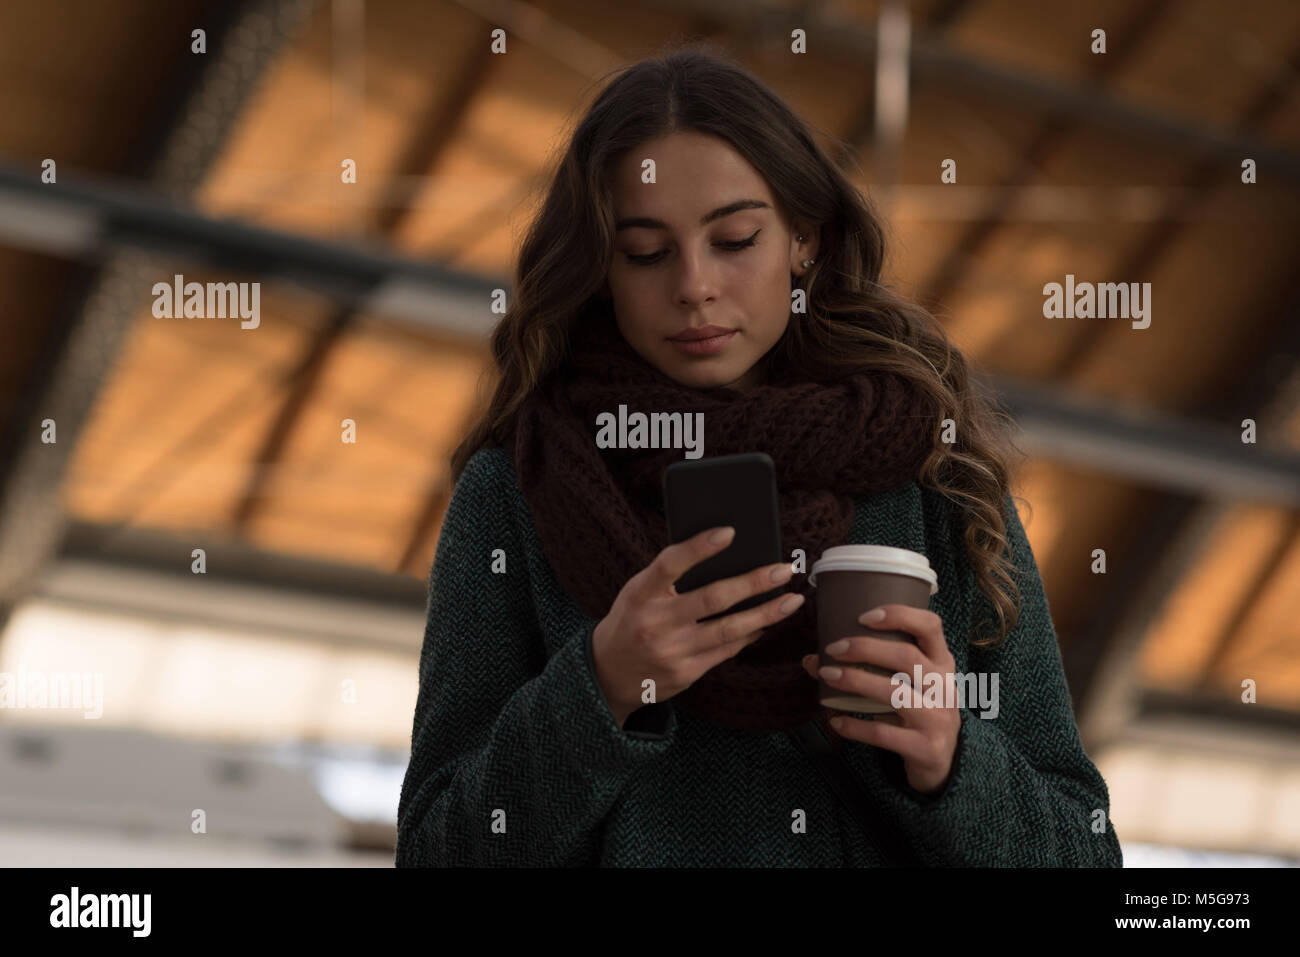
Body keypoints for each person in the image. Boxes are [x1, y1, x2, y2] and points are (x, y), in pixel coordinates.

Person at [396, 45, 1123, 867]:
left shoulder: (935, 477)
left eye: (735, 238)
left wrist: (952, 758)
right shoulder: (515, 494)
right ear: (601, 267)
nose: (695, 284)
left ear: (804, 239)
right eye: (645, 251)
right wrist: (598, 686)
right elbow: (435, 853)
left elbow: (1086, 856)